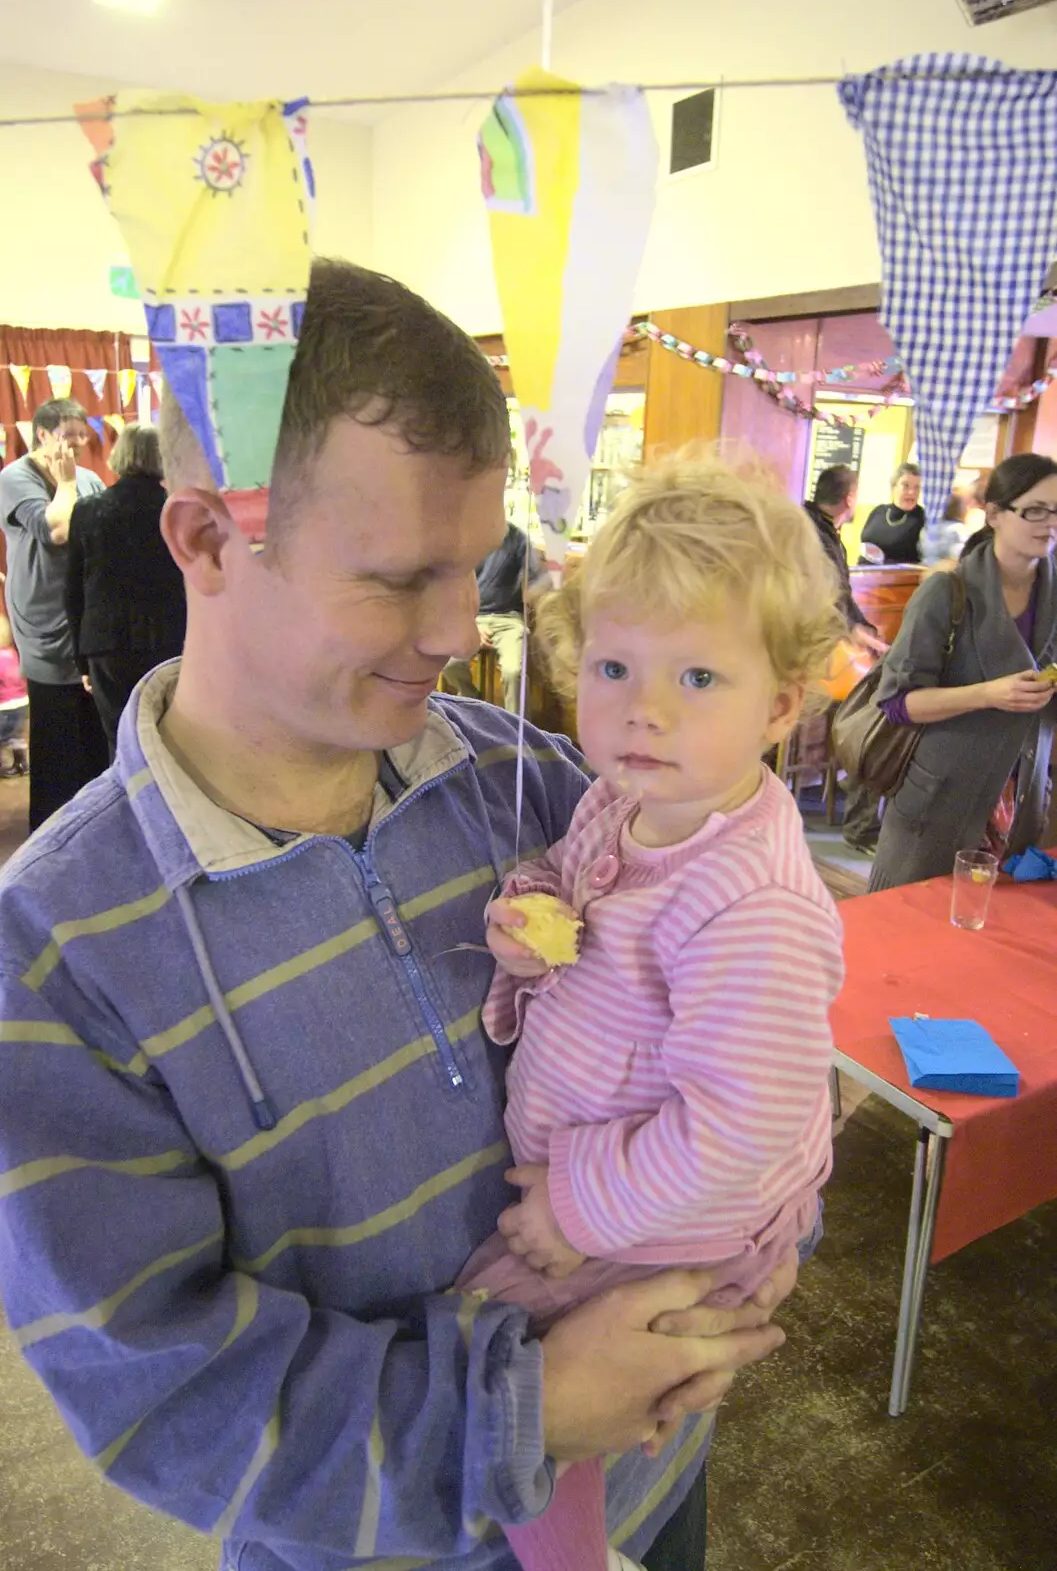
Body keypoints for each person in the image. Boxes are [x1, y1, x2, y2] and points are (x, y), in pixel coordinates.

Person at [0, 260, 795, 1571]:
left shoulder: (533, 782)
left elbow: (739, 1037)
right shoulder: (54, 958)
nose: (452, 627)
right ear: (204, 539)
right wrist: (530, 1409)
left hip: (655, 1489)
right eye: (397, 577)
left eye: (470, 569)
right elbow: (168, 1399)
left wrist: (743, 1256)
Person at [454, 458, 845, 1571]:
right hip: (633, 1203)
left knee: (516, 1367)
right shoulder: (631, 800)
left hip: (649, 1220)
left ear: (779, 704)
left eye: (699, 678)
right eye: (616, 666)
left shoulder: (750, 901)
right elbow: (573, 879)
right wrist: (532, 911)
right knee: (541, 1390)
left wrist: (576, 1210)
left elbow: (741, 1129)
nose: (646, 709)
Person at [870, 453, 1057, 892]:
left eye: (1056, 511)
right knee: (909, 934)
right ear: (993, 514)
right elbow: (897, 702)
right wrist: (988, 693)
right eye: (1034, 510)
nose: (1048, 523)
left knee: (995, 941)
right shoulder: (948, 592)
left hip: (1024, 802)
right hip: (940, 799)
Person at [0, 398, 109, 828]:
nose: (79, 443)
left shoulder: (90, 479)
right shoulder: (14, 477)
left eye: (82, 433)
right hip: (43, 619)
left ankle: (93, 824)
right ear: (42, 434)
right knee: (57, 727)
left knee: (93, 725)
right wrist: (65, 485)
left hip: (88, 614)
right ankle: (52, 827)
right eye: (68, 434)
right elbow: (57, 530)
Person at [64, 420, 186, 758]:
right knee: (170, 742)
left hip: (106, 644)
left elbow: (73, 592)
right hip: (171, 639)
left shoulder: (88, 510)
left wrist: (82, 662)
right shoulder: (176, 509)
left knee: (121, 744)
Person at [804, 465, 887, 856]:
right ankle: (860, 824)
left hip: (817, 651)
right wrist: (855, 630)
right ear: (849, 499)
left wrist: (862, 627)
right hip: (808, 659)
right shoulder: (813, 536)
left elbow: (839, 599)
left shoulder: (812, 529)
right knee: (879, 710)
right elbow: (826, 602)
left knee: (880, 699)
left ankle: (855, 806)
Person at [443, 520, 546, 713]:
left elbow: (539, 579)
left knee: (514, 671)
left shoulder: (519, 539)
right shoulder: (466, 538)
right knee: (448, 664)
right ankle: (472, 701)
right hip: (473, 618)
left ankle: (519, 731)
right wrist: (468, 622)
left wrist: (535, 592)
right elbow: (452, 587)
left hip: (508, 619)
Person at [858, 462, 925, 566]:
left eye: (916, 487)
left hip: (897, 579)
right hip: (864, 574)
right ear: (893, 487)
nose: (912, 492)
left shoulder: (922, 518)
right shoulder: (879, 511)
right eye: (905, 486)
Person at [0, 609, 28, 776]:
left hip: (5, 706)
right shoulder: (13, 654)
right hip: (21, 702)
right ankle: (21, 764)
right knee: (16, 736)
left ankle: (2, 768)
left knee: (2, 738)